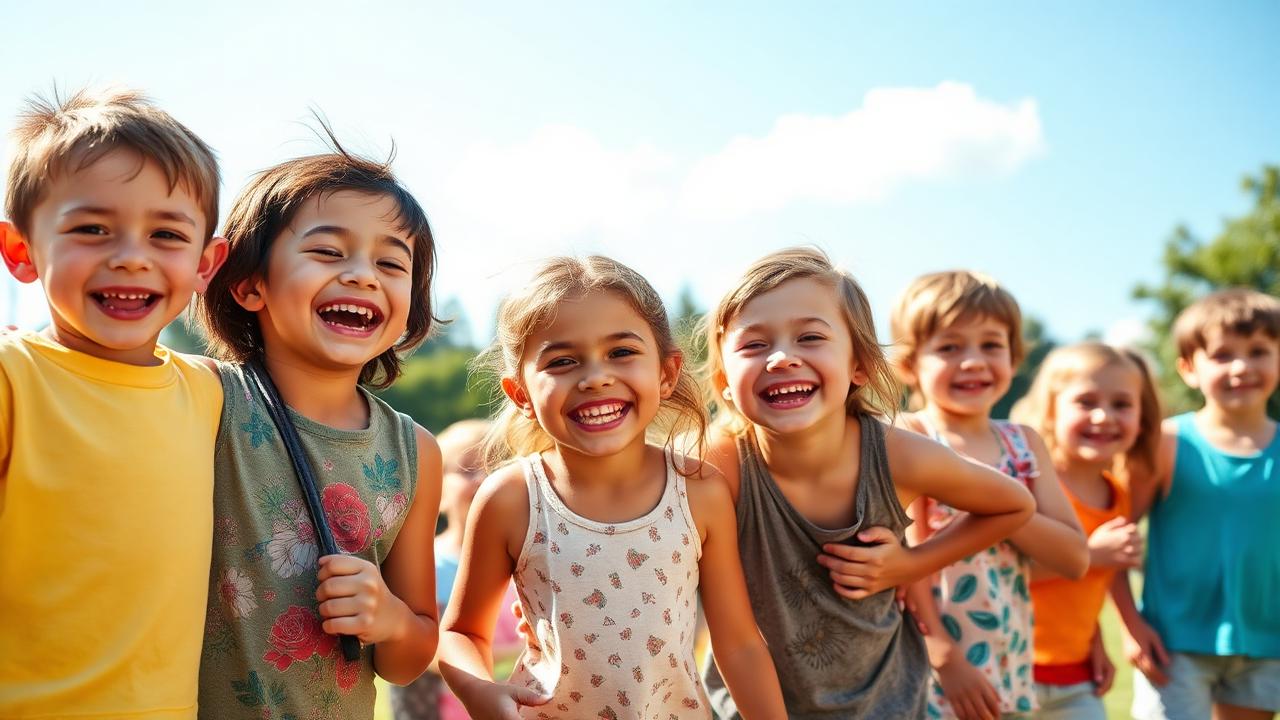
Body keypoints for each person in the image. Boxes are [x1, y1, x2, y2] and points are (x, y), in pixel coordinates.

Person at [439, 256, 786, 719]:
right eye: (562, 361)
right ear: (520, 393)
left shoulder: (700, 490)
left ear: (666, 373)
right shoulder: (511, 498)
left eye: (621, 352)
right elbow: (462, 633)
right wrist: (479, 689)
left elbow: (739, 643)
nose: (596, 376)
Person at [700, 247, 1037, 718]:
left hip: (888, 705)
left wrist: (909, 566)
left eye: (810, 337)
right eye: (754, 345)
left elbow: (1014, 505)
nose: (781, 358)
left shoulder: (897, 456)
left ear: (859, 364)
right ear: (724, 382)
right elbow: (734, 641)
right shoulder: (716, 468)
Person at [195, 137, 442, 718]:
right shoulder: (205, 397)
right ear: (248, 284)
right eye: (329, 253)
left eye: (390, 263)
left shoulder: (414, 453)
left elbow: (411, 657)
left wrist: (388, 618)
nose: (362, 276)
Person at [0, 87, 227, 718]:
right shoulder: (14, 378)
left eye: (165, 234)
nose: (131, 257)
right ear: (21, 251)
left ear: (206, 263)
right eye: (92, 229)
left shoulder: (209, 392)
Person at [890, 269, 1088, 719]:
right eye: (949, 347)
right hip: (932, 664)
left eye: (991, 345)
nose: (974, 361)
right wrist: (944, 656)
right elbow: (908, 564)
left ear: (1014, 358)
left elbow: (1074, 557)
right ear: (908, 365)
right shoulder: (910, 435)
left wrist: (998, 504)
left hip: (1007, 662)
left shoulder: (1024, 444)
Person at [1115, 288, 1280, 720]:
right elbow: (1114, 539)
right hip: (1172, 646)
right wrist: (1131, 627)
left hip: (1267, 644)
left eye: (1259, 351)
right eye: (1223, 355)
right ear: (1189, 368)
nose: (1242, 367)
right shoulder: (1167, 443)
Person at [1010, 343, 1161, 719]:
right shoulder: (1031, 485)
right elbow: (1002, 574)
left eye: (1122, 404)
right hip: (1010, 666)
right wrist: (1092, 555)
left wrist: (1101, 637)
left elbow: (1099, 579)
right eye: (1086, 401)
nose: (1104, 416)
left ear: (1142, 419)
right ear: (1050, 410)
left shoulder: (1118, 494)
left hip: (1076, 673)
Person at [391, 419, 523, 720]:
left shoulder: (528, 561)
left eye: (497, 466)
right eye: (468, 469)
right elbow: (415, 648)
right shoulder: (425, 566)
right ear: (435, 490)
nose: (485, 479)